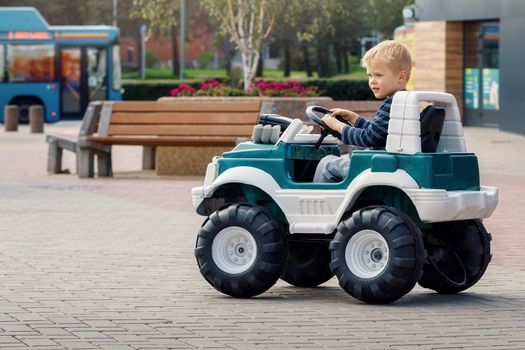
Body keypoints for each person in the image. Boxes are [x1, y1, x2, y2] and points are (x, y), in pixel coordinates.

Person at [313, 40, 412, 183]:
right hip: (390, 162)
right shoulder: (403, 101)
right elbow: (378, 133)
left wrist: (337, 126)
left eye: (378, 75)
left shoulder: (392, 104)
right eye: (370, 75)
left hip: (381, 166)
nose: (372, 81)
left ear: (401, 76)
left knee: (327, 164)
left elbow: (367, 138)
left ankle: (320, 202)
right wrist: (354, 118)